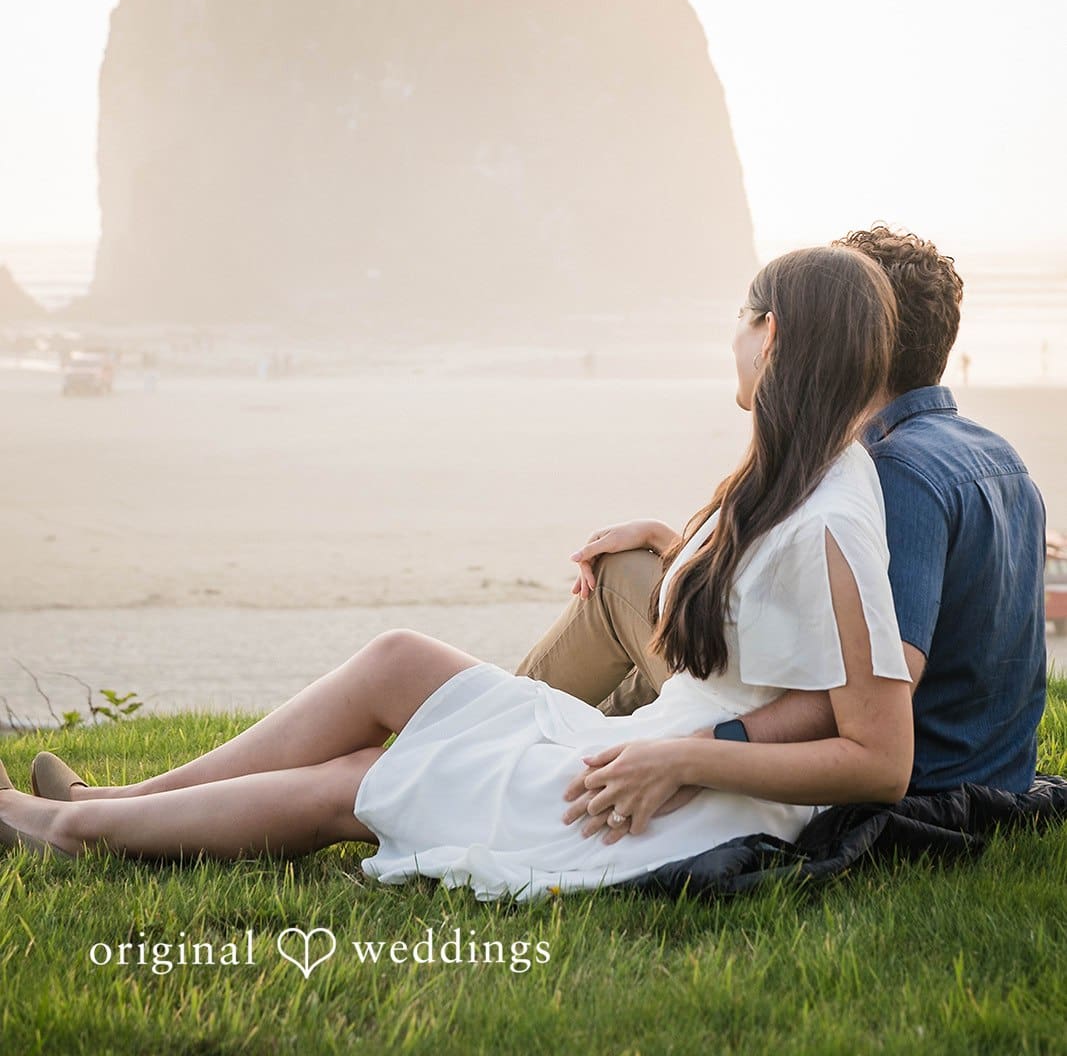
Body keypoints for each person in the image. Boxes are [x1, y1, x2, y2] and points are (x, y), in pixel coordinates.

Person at [1, 246, 915, 901]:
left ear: (772, 333)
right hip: (669, 753)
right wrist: (680, 551)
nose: (730, 341)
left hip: (687, 805)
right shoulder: (790, 473)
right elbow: (772, 636)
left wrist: (675, 757)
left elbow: (878, 760)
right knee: (398, 657)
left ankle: (70, 833)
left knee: (362, 782)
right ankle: (119, 802)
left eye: (738, 322)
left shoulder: (833, 516)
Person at [518, 227, 1048, 796]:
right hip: (995, 764)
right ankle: (560, 737)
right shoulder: (996, 455)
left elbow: (875, 682)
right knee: (644, 589)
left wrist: (705, 748)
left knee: (623, 582)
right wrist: (680, 550)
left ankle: (515, 732)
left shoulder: (890, 472)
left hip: (925, 776)